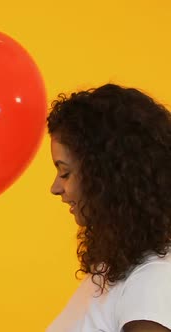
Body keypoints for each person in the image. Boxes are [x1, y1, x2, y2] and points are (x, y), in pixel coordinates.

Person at [46, 83, 171, 331]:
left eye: (65, 172)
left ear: (105, 176)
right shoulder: (113, 271)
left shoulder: (154, 279)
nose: (55, 187)